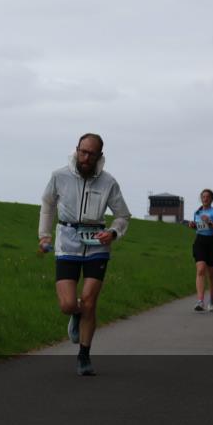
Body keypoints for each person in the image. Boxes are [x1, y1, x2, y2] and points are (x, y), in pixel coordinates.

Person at [38, 133, 131, 376]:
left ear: (100, 156)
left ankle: (84, 356)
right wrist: (44, 235)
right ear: (77, 150)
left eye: (91, 154)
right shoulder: (59, 176)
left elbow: (123, 215)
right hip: (67, 243)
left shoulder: (108, 182)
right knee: (69, 304)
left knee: (90, 301)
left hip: (97, 245)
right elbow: (48, 204)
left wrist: (112, 232)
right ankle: (76, 315)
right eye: (83, 151)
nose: (86, 157)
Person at [188, 189, 213, 312]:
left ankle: (212, 297)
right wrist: (193, 225)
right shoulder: (197, 212)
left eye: (207, 197)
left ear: (211, 199)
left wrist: (210, 223)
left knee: (211, 274)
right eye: (203, 196)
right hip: (200, 241)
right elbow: (199, 227)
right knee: (200, 270)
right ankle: (200, 301)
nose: (205, 199)